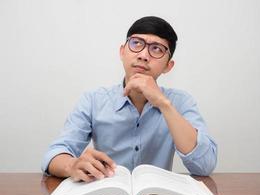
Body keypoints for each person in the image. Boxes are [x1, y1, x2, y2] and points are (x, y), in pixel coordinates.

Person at [41, 16, 217, 182]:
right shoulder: (93, 100)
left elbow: (205, 165)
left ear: (168, 66)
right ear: (122, 52)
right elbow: (54, 154)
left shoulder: (181, 102)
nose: (143, 55)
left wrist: (164, 104)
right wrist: (72, 165)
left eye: (156, 48)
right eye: (136, 43)